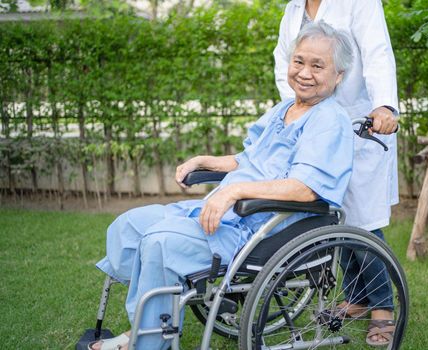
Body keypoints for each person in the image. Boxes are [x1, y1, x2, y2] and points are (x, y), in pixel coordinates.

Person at [89, 21, 355, 350]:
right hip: (224, 211)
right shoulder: (284, 109)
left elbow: (305, 188)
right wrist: (204, 160)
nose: (304, 72)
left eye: (318, 66)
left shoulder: (329, 120)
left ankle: (145, 341)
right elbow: (250, 159)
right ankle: (151, 315)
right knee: (128, 226)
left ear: (338, 75)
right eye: (299, 61)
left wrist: (232, 191)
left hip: (257, 227)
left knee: (158, 242)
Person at [273, 0, 399, 347]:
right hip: (316, 124)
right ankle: (355, 299)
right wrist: (299, 107)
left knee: (361, 222)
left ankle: (383, 308)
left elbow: (377, 53)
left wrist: (384, 105)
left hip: (361, 124)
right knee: (333, 215)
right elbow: (284, 61)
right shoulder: (292, 9)